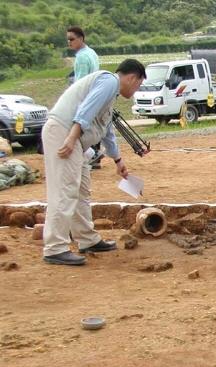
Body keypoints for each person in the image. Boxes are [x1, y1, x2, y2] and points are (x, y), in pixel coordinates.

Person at [42, 59, 146, 266]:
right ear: (132, 77)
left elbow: (106, 130)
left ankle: (87, 239)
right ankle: (55, 248)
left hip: (75, 139)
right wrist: (71, 138)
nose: (136, 90)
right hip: (65, 133)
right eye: (138, 85)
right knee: (65, 190)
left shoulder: (111, 93)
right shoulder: (108, 82)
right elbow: (86, 110)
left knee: (81, 190)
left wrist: (118, 160)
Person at [66, 26, 104, 170]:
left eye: (72, 39)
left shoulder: (81, 57)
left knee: (79, 127)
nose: (69, 42)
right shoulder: (91, 52)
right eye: (68, 40)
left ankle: (91, 155)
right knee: (94, 127)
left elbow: (80, 82)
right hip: (95, 93)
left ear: (81, 38)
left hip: (85, 95)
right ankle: (95, 156)